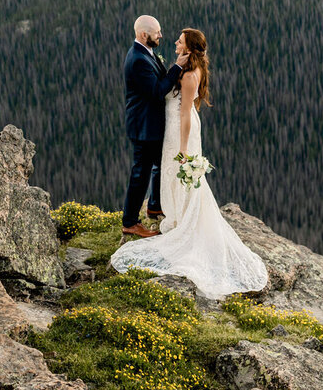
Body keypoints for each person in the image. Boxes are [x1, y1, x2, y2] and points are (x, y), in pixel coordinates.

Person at [111, 28, 268, 298]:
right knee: (170, 174)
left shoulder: (187, 76)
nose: (173, 41)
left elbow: (184, 113)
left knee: (176, 172)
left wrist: (183, 149)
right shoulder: (186, 69)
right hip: (173, 127)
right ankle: (169, 212)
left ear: (189, 48)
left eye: (179, 41)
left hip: (179, 130)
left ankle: (181, 219)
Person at [121, 15, 187, 238]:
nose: (160, 35)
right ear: (143, 34)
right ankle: (130, 222)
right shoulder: (138, 59)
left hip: (150, 124)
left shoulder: (145, 53)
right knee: (140, 173)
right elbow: (157, 91)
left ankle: (155, 205)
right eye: (157, 32)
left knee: (160, 164)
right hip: (144, 127)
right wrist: (177, 67)